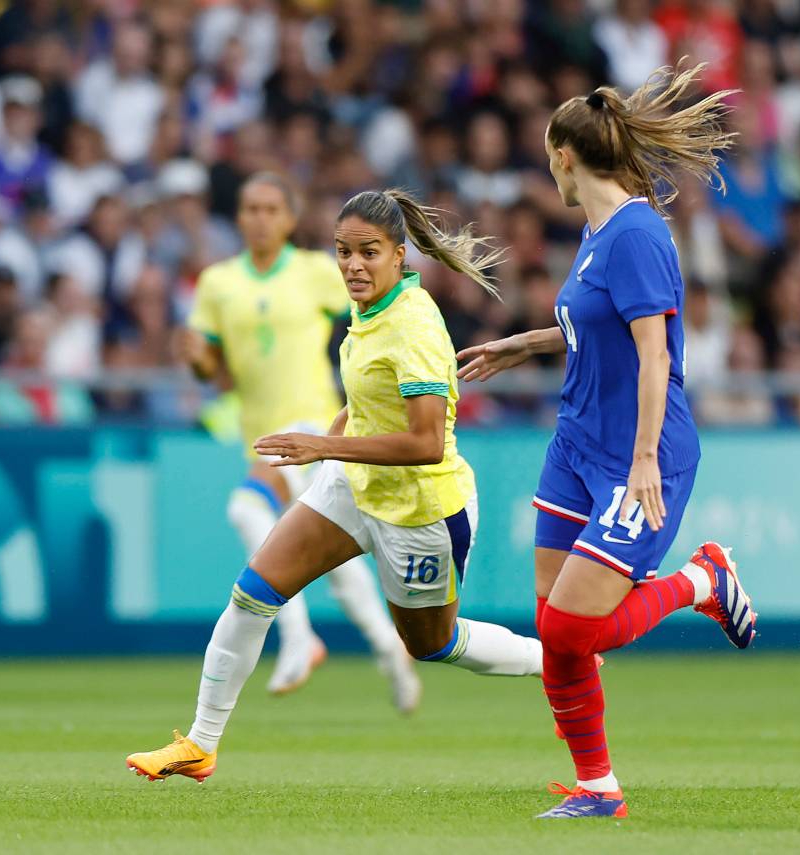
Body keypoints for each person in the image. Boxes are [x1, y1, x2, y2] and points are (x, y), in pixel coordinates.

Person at [126, 187, 546, 782]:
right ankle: (200, 744)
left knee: (432, 644)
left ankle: (555, 662)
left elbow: (426, 445)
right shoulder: (368, 307)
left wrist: (323, 446)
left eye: (368, 252)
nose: (352, 265)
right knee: (252, 594)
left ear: (400, 255)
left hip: (421, 509)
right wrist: (338, 434)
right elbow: (369, 393)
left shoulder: (416, 327)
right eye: (343, 252)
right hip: (353, 480)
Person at [455, 65, 758, 820]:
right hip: (575, 446)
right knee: (556, 633)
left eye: (545, 156)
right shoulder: (596, 233)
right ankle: (598, 787)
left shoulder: (637, 232)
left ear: (563, 154)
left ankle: (701, 580)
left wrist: (646, 458)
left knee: (571, 625)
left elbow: (655, 354)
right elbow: (590, 326)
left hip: (634, 456)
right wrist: (522, 345)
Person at [181, 172, 422, 706]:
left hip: (317, 428)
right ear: (239, 217)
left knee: (247, 509)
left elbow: (381, 305)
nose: (260, 218)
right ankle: (390, 651)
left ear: (290, 219)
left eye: (271, 209)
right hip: (263, 437)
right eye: (250, 208)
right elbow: (213, 370)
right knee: (330, 561)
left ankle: (297, 637)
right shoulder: (218, 283)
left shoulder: (319, 271)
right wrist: (199, 360)